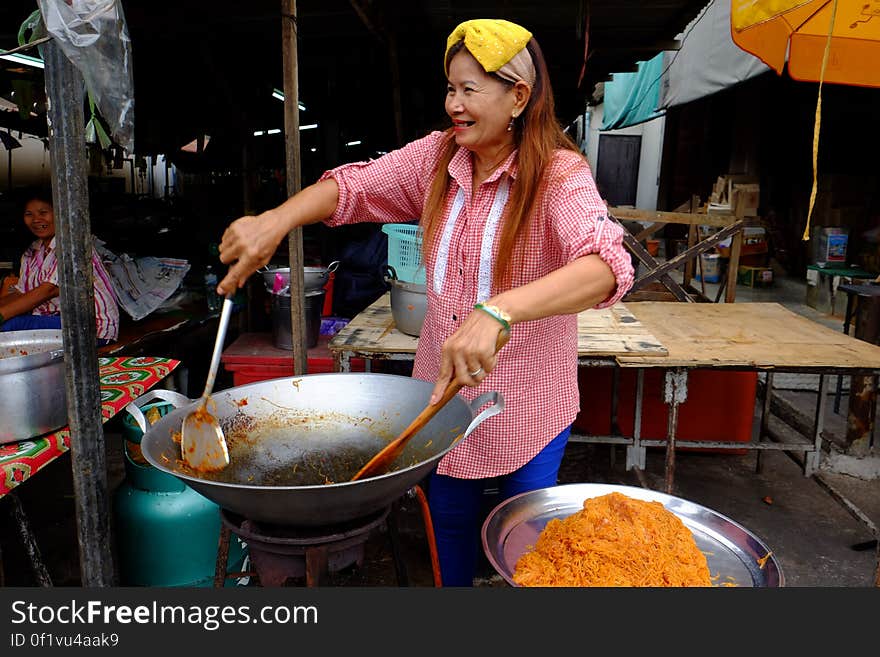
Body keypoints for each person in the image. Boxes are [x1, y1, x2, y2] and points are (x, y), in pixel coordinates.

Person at [217, 18, 635, 585]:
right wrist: (275, 221)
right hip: (442, 405)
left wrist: (498, 310)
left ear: (517, 97)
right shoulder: (438, 159)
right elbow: (358, 186)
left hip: (530, 405)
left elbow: (606, 266)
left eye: (469, 90)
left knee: (530, 557)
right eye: (450, 89)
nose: (454, 104)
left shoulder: (558, 174)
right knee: (448, 536)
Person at [0, 190, 119, 346]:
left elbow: (47, 291)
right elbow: (20, 293)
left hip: (92, 327)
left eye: (43, 212)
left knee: (9, 327)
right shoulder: (32, 252)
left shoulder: (72, 246)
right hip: (58, 320)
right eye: (29, 214)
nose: (36, 219)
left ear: (60, 213)